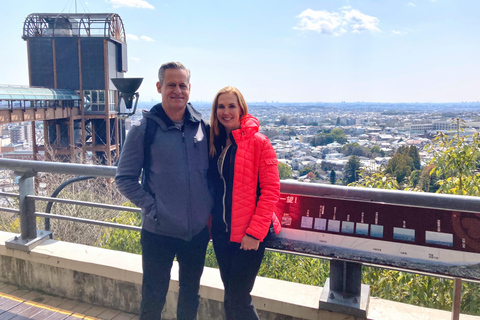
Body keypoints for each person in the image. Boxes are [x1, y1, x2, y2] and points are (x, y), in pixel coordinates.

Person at [115, 62, 212, 320]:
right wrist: (153, 207)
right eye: (171, 84)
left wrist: (206, 211)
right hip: (158, 231)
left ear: (189, 89)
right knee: (153, 298)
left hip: (196, 233)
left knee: (190, 296)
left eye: (182, 85)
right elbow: (124, 178)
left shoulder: (203, 128)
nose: (177, 90)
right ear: (159, 87)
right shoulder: (143, 130)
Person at [208, 86, 281, 320]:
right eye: (221, 106)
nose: (226, 111)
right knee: (231, 298)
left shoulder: (259, 142)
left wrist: (255, 233)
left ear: (241, 110)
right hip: (222, 233)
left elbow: (271, 190)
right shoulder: (219, 143)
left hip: (247, 236)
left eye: (231, 106)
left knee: (238, 298)